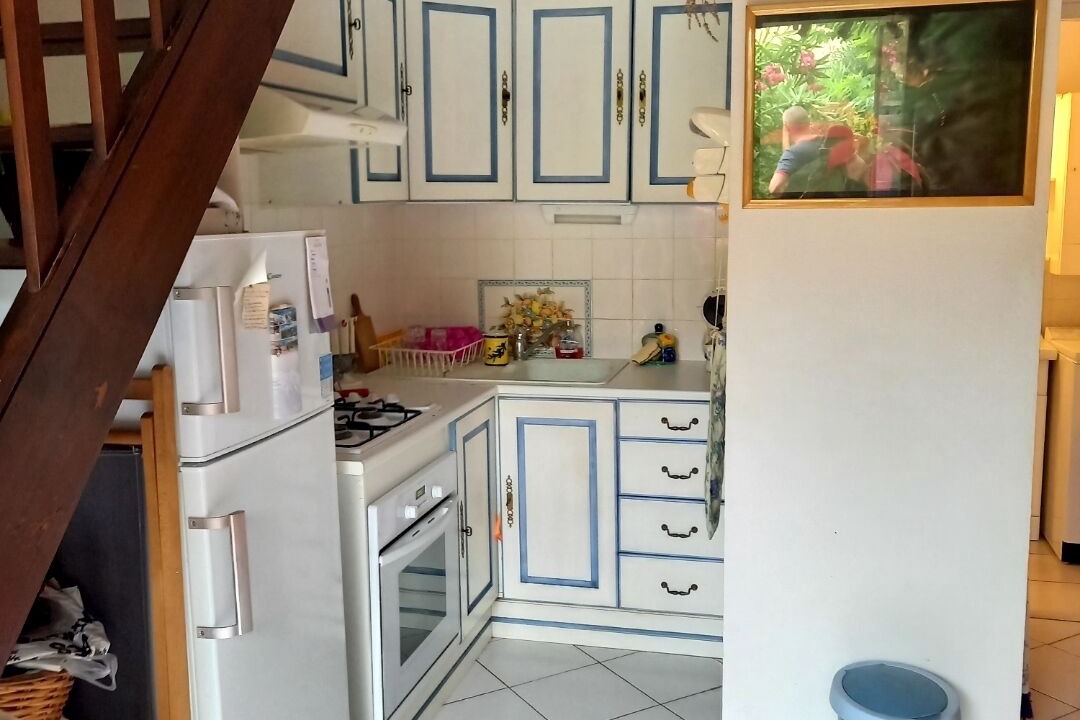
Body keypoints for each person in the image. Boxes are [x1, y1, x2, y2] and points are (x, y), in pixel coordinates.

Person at [768, 106, 820, 195]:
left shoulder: (793, 154)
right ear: (808, 123)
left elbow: (774, 187)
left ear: (786, 127)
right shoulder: (825, 143)